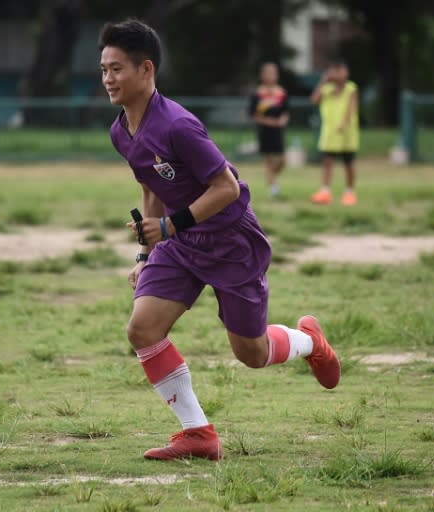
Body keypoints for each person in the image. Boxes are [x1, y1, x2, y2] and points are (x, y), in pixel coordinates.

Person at [99, 19, 340, 461]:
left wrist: (170, 227)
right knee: (142, 328)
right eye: (104, 69)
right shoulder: (121, 131)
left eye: (117, 69)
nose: (108, 79)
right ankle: (198, 434)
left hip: (230, 240)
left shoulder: (178, 126)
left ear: (146, 69)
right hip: (181, 243)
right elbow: (152, 188)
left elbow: (227, 187)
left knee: (251, 352)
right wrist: (146, 253)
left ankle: (310, 342)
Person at [309, 59, 359, 206]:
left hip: (346, 134)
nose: (337, 74)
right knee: (327, 162)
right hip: (330, 133)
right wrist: (322, 81)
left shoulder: (351, 88)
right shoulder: (326, 89)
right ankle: (325, 191)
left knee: (348, 163)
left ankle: (349, 192)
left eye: (340, 70)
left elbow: (351, 108)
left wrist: (344, 123)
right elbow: (314, 100)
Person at [248, 62, 290, 198]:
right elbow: (253, 115)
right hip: (264, 131)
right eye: (267, 73)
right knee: (268, 159)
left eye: (273, 72)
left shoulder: (281, 93)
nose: (270, 76)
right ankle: (274, 188)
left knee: (282, 160)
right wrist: (269, 122)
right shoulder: (257, 94)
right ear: (262, 76)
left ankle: (271, 178)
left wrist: (283, 119)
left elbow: (285, 111)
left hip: (278, 131)